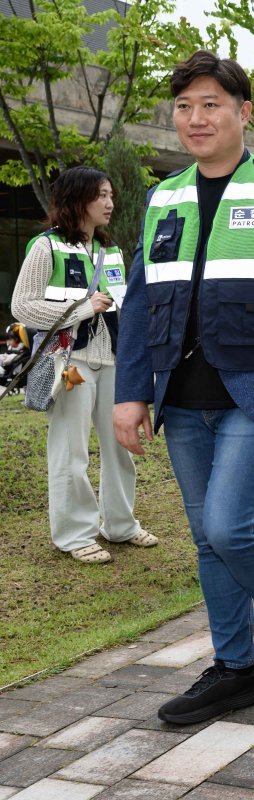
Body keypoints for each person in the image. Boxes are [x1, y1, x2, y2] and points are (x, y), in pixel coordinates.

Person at [113, 50, 254, 724]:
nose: (196, 118)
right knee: (206, 539)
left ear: (243, 113)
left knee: (229, 527)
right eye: (185, 107)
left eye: (211, 104)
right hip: (181, 396)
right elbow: (143, 300)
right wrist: (130, 391)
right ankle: (234, 668)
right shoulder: (164, 196)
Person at [11, 167, 152, 564]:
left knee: (119, 445)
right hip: (70, 362)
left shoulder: (112, 251)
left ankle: (121, 525)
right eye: (101, 195)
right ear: (77, 199)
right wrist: (79, 308)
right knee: (71, 450)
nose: (109, 203)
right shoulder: (46, 247)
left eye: (111, 195)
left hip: (113, 361)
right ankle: (75, 535)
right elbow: (22, 305)